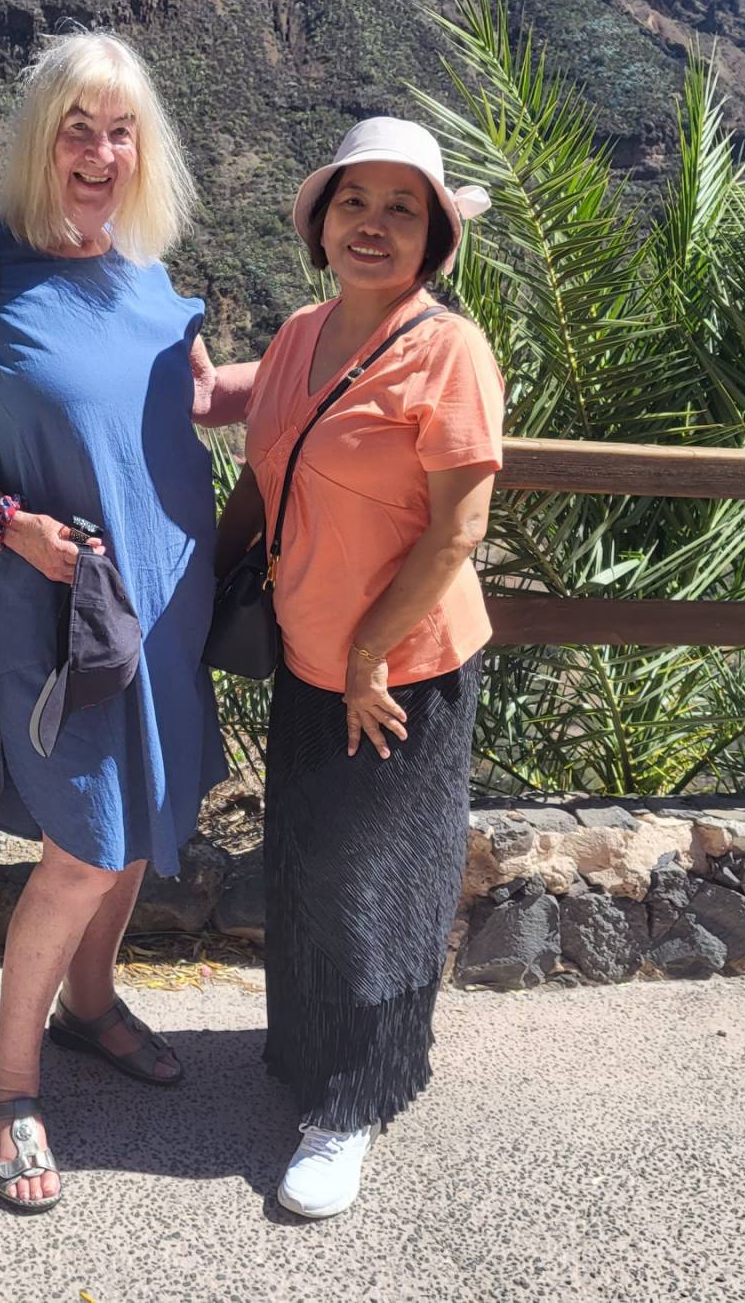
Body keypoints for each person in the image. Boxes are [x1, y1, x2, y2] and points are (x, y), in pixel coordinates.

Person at [0, 30, 254, 1211]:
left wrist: (359, 343)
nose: (99, 155)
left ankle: (89, 1004)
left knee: (143, 824)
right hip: (61, 609)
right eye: (76, 130)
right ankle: (3, 1084)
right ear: (37, 142)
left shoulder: (150, 277)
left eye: (120, 133)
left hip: (168, 602)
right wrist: (11, 526)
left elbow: (202, 400)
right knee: (86, 846)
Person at [218, 117, 502, 1219]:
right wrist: (209, 579)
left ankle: (352, 1103)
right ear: (320, 222)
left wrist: (369, 656)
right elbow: (263, 474)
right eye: (354, 202)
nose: (372, 225)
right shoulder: (300, 335)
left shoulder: (449, 352)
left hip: (399, 673)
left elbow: (458, 530)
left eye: (401, 208)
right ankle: (307, 1057)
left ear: (433, 236)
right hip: (308, 653)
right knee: (305, 865)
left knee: (374, 882)